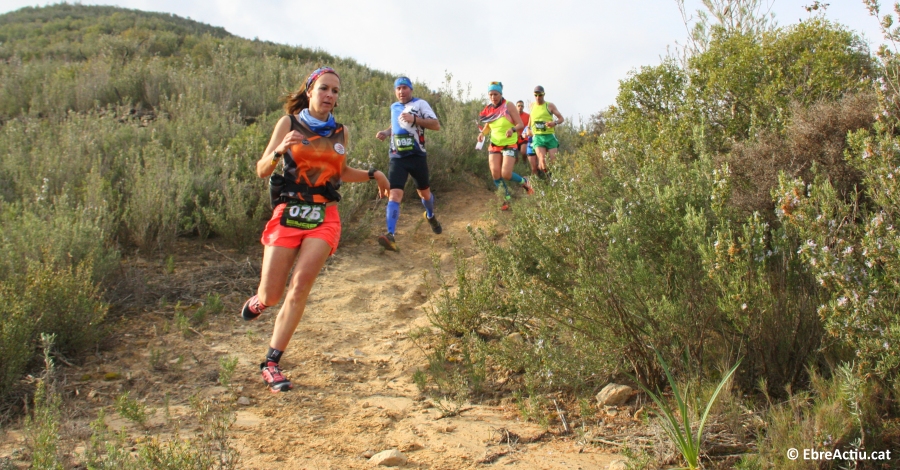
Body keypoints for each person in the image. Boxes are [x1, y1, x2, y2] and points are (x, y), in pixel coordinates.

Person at [240, 67, 390, 393]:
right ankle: (262, 300)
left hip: (325, 215)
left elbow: (340, 172)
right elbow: (261, 169)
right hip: (289, 212)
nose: (330, 96)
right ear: (310, 90)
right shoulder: (288, 123)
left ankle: (271, 362)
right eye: (324, 88)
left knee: (299, 287)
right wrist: (280, 150)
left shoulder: (340, 132)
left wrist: (373, 174)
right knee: (273, 293)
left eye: (335, 91)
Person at [374, 77, 442, 251]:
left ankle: (431, 215)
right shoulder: (394, 107)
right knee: (394, 194)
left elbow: (435, 125)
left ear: (410, 89)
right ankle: (391, 235)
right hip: (397, 157)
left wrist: (415, 119)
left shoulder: (420, 104)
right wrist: (386, 132)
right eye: (398, 88)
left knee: (425, 194)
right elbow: (396, 124)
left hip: (417, 157)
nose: (401, 91)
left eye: (404, 88)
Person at [477, 82, 534, 210]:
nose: (493, 97)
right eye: (490, 94)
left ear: (501, 94)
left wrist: (512, 130)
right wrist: (482, 134)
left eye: (495, 94)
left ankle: (525, 182)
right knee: (495, 174)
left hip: (509, 144)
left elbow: (520, 124)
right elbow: (487, 127)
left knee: (506, 174)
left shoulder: (508, 105)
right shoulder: (488, 109)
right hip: (495, 144)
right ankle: (506, 199)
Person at [529, 85, 564, 175]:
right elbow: (531, 118)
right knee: (542, 160)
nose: (538, 97)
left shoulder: (549, 105)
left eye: (540, 95)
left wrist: (554, 123)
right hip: (538, 137)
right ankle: (546, 179)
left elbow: (561, 118)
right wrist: (528, 129)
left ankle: (553, 180)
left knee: (554, 162)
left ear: (544, 95)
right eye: (536, 95)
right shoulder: (531, 105)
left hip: (549, 136)